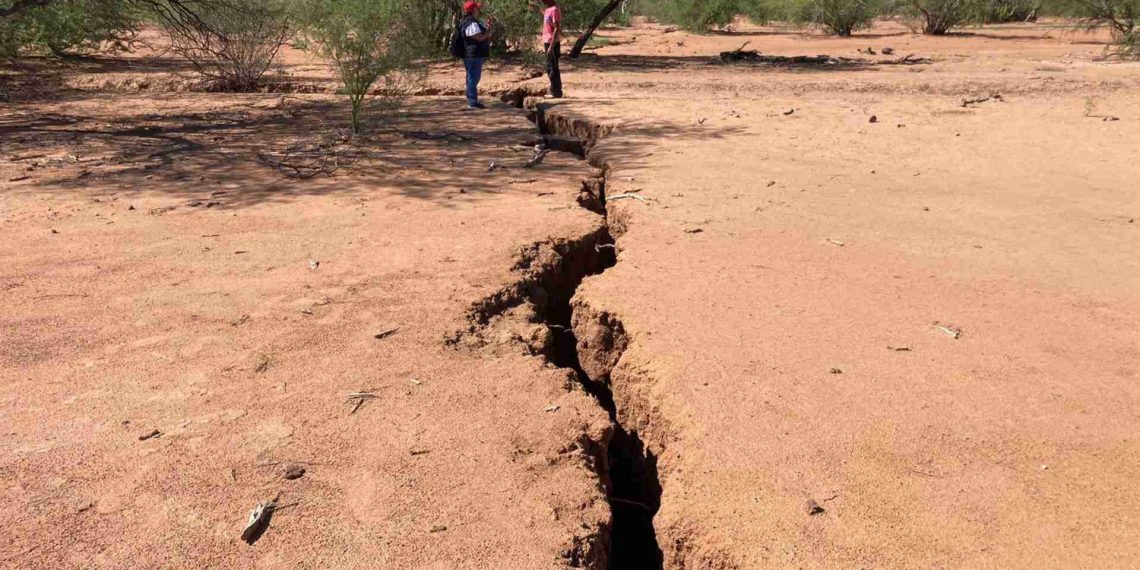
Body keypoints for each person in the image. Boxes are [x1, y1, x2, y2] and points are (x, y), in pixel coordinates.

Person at [460, 1, 493, 109]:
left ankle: (472, 100)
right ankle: (472, 102)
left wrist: (487, 28)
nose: (479, 11)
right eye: (477, 9)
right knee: (473, 78)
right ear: (474, 10)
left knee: (471, 77)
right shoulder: (471, 23)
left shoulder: (466, 21)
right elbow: (479, 37)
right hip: (473, 55)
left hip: (469, 54)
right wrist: (487, 33)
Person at [540, 0, 563, 98]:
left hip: (551, 42)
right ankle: (556, 91)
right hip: (547, 41)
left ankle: (555, 92)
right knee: (552, 66)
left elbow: (557, 28)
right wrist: (537, 9)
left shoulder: (554, 9)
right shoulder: (548, 9)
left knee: (551, 67)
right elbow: (546, 17)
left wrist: (551, 46)